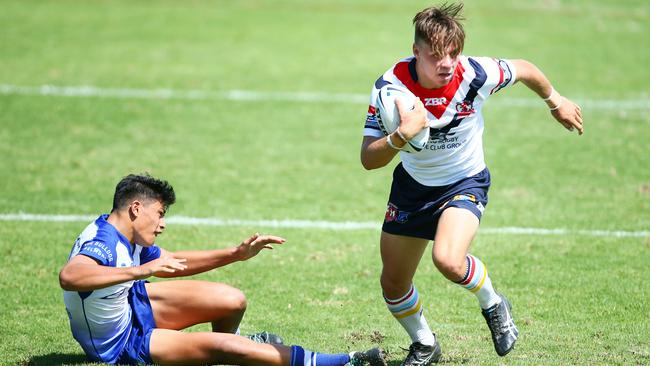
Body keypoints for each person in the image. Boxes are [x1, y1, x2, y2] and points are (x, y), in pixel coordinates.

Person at [361, 3, 583, 365]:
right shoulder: (390, 88)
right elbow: (369, 159)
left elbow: (524, 69)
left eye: (453, 53)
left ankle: (493, 304)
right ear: (416, 51)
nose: (447, 63)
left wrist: (554, 101)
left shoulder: (476, 73)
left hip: (464, 181)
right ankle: (424, 343)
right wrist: (401, 136)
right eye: (435, 55)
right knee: (393, 284)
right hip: (413, 188)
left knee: (448, 259)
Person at [59, 173, 386, 366]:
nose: (162, 224)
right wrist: (140, 273)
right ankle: (346, 361)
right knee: (223, 348)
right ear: (135, 208)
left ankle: (247, 349)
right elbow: (70, 276)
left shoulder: (124, 231)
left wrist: (235, 254)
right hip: (119, 343)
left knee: (231, 299)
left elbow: (173, 263)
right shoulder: (102, 242)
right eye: (159, 214)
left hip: (132, 306)